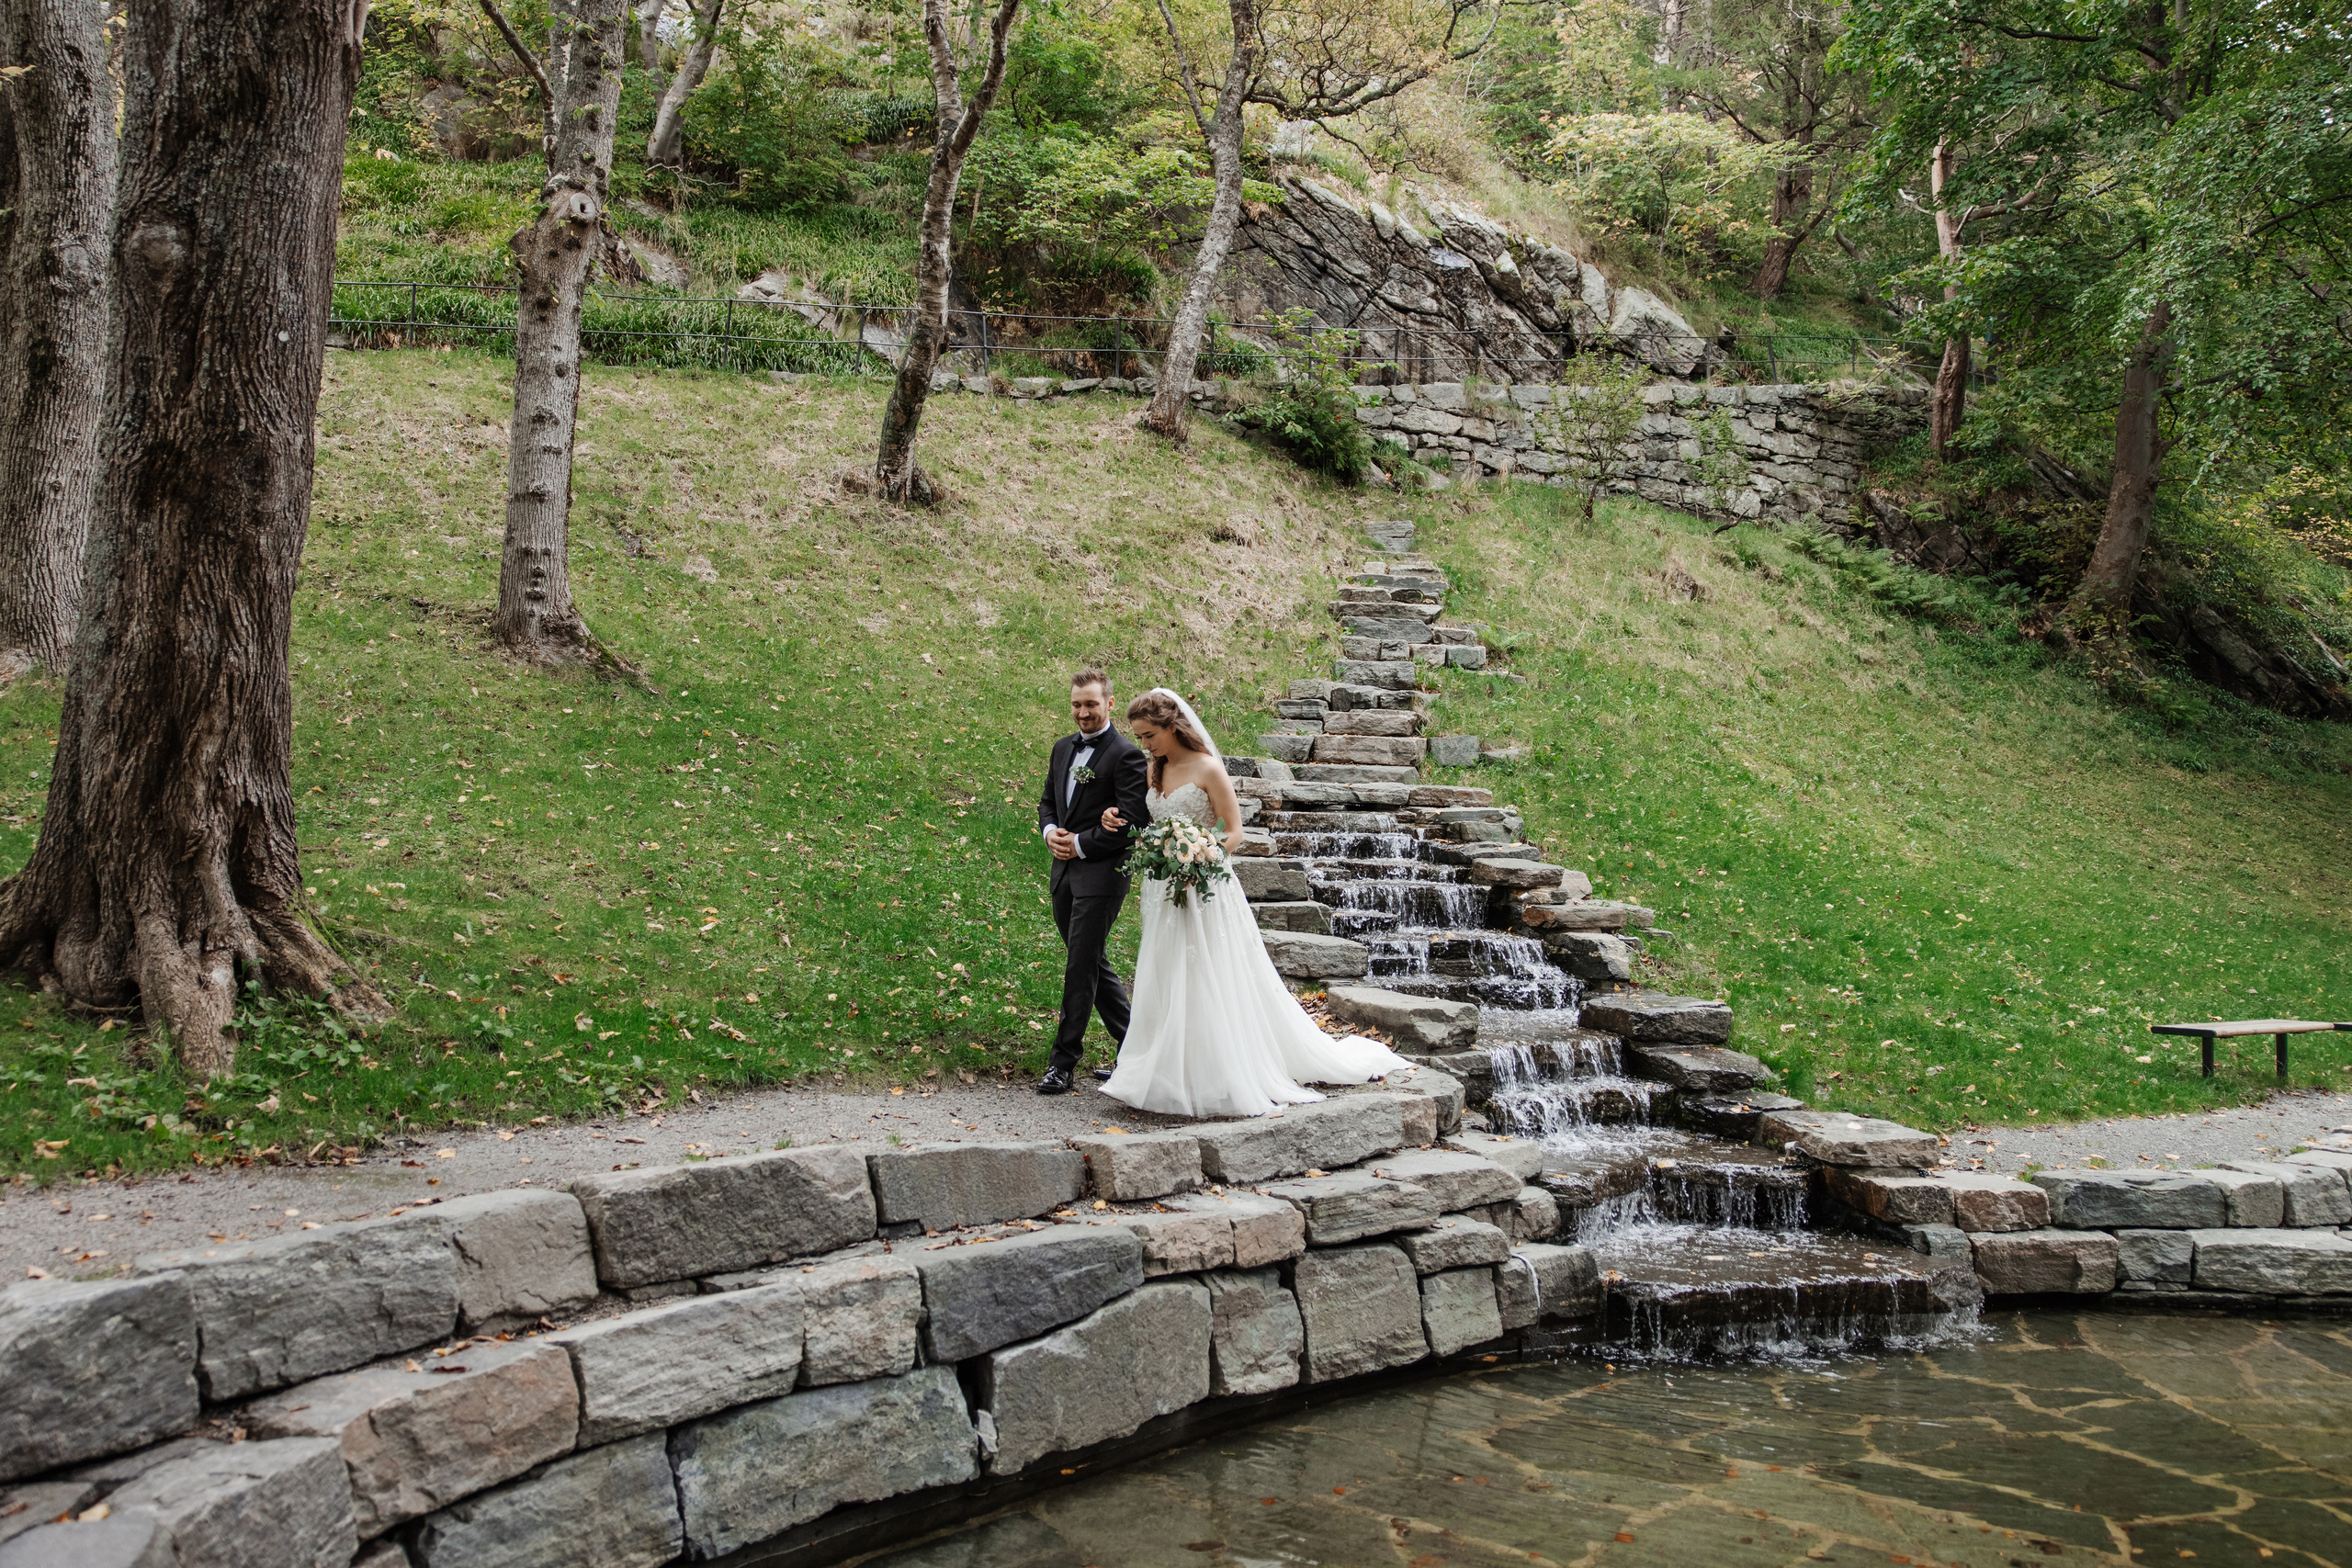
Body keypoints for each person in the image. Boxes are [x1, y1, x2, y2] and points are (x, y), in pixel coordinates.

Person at [1097, 688, 1411, 1118]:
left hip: (1204, 883)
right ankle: (1166, 1068)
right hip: (1164, 888)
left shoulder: (1207, 768)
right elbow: (1152, 820)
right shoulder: (1156, 768)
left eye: (1149, 735)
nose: (1144, 744)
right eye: (1139, 736)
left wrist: (1202, 855)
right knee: (1166, 969)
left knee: (1208, 971)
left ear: (1173, 726)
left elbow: (1235, 831)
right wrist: (1115, 818)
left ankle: (1216, 1071)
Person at [1034, 670, 1150, 1096]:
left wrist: (1080, 844)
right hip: (1063, 873)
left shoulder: (1125, 755)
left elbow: (1134, 819)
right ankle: (1136, 1050)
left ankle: (1062, 1063)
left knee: (1080, 966)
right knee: (1091, 962)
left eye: (1091, 704)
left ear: (1109, 704)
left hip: (1102, 875)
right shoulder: (1062, 748)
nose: (1083, 712)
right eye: (1077, 704)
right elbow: (1048, 802)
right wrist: (1051, 834)